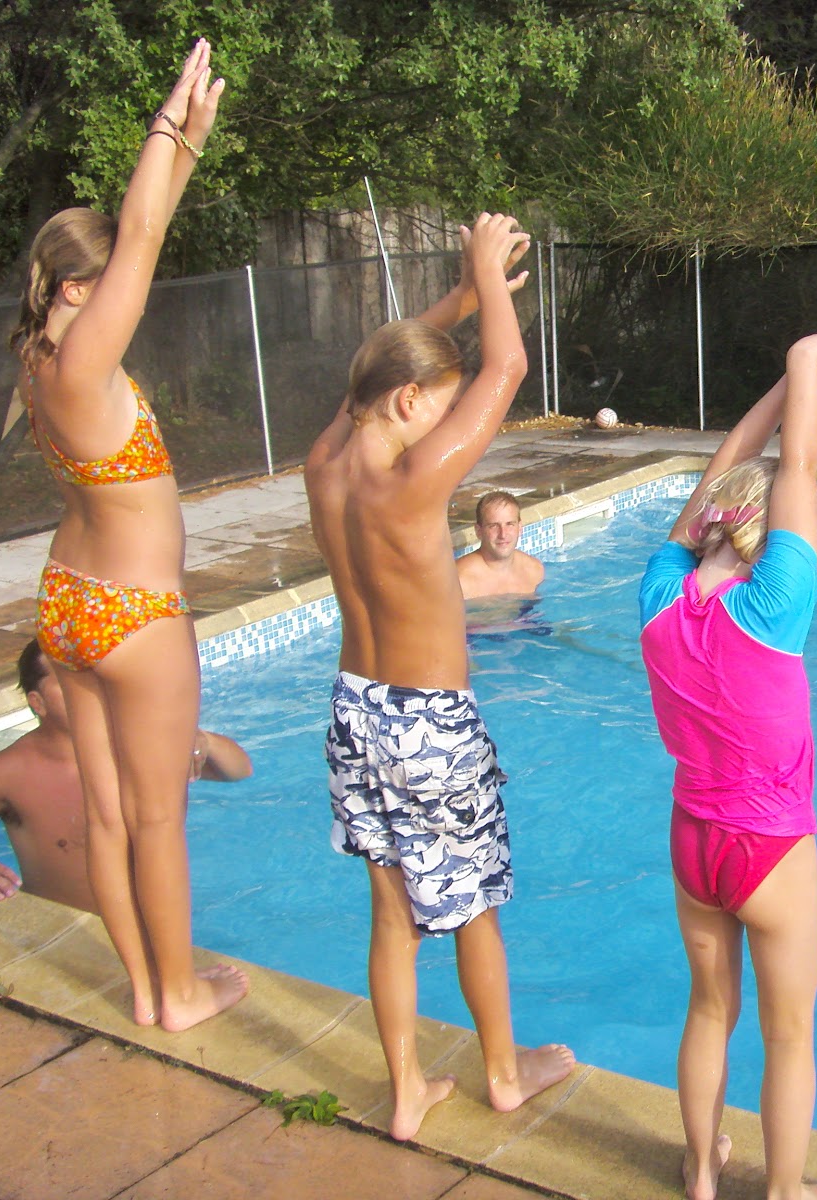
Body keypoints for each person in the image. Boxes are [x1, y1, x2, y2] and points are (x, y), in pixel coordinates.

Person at [305, 212, 575, 1142]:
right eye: (438, 400)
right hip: (430, 723)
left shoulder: (323, 467)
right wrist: (486, 276)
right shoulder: (411, 482)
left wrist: (460, 294)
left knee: (391, 915)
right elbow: (508, 367)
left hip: (354, 710)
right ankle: (503, 1073)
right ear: (411, 400)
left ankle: (408, 1092)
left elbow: (369, 378)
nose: (448, 415)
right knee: (474, 910)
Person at [8, 40, 245, 1032]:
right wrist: (164, 129)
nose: (123, 299)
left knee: (108, 817)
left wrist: (187, 149)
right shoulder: (85, 366)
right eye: (105, 286)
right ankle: (178, 992)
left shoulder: (39, 361)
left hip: (68, 601)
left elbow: (146, 230)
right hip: (137, 613)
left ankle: (147, 990)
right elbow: (142, 231)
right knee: (155, 819)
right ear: (76, 289)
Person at [639, 330, 817, 1200]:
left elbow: (729, 470)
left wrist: (783, 382)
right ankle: (785, 1192)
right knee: (789, 1034)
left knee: (708, 1009)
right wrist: (802, 367)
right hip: (768, 847)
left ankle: (701, 1172)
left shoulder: (659, 595)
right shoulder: (774, 605)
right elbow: (797, 467)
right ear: (788, 548)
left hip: (692, 839)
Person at [0, 642, 251, 912]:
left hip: (155, 931)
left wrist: (203, 740)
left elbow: (238, 770)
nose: (88, 689)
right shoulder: (11, 772)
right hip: (73, 939)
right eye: (68, 680)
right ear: (38, 702)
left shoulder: (135, 744)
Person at [457, 491, 545, 600]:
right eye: (493, 526)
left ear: (520, 528)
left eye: (509, 524)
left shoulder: (534, 571)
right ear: (478, 531)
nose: (503, 534)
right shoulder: (460, 582)